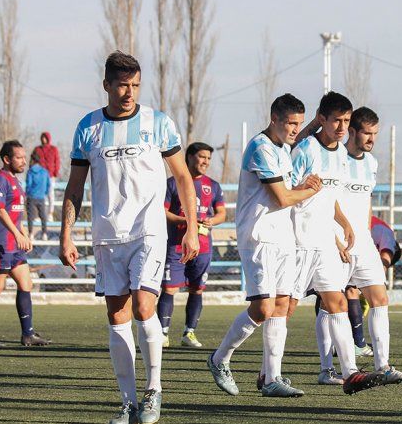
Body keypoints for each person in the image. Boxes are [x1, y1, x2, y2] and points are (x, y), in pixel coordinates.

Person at [60, 51, 199, 424]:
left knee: (143, 306)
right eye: (122, 85)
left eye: (135, 85)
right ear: (106, 85)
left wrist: (192, 228)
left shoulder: (158, 123)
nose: (129, 92)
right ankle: (128, 401)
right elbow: (74, 188)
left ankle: (154, 391)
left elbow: (183, 178)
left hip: (148, 231)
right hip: (108, 235)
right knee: (117, 314)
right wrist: (66, 235)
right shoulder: (87, 127)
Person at [207, 93, 321, 398]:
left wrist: (315, 124)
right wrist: (309, 190)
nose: (296, 129)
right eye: (291, 123)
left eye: (299, 123)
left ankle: (272, 378)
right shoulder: (260, 148)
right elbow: (282, 198)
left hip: (282, 235)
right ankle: (219, 359)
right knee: (263, 307)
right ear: (274, 120)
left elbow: (288, 183)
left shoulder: (282, 148)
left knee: (282, 306)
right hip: (259, 235)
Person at [287, 92, 385, 394]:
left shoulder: (342, 155)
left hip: (327, 241)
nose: (343, 126)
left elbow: (330, 200)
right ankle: (259, 370)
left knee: (338, 303)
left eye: (346, 120)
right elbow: (288, 194)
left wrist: (342, 226)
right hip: (300, 241)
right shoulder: (305, 149)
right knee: (280, 309)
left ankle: (350, 371)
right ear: (322, 120)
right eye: (337, 120)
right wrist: (303, 190)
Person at [320, 106, 402, 386]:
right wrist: (334, 238)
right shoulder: (335, 159)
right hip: (336, 243)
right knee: (330, 307)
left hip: (363, 244)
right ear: (352, 131)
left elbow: (367, 202)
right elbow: (325, 201)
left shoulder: (371, 163)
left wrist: (368, 237)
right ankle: (327, 370)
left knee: (380, 299)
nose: (372, 139)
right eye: (367, 133)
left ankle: (383, 366)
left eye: (375, 133)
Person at [0, 140, 50, 348]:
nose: (24, 161)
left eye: (24, 157)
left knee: (26, 283)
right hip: (0, 243)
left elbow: (18, 212)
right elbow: (0, 210)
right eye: (19, 157)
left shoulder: (16, 182)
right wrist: (17, 234)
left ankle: (28, 334)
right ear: (7, 159)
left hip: (14, 245)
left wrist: (25, 234)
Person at [157, 142, 226, 349]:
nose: (205, 162)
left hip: (203, 247)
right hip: (176, 246)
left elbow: (222, 214)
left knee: (197, 290)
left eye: (208, 158)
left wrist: (211, 221)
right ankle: (162, 333)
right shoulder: (171, 183)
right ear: (189, 157)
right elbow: (163, 211)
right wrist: (184, 221)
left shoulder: (213, 186)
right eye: (202, 157)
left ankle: (189, 333)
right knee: (169, 289)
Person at [34, 131, 60, 219]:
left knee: (50, 195)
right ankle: (40, 215)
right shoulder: (37, 149)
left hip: (50, 176)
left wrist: (55, 172)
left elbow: (57, 161)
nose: (43, 139)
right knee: (40, 196)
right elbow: (33, 161)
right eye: (42, 137)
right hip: (40, 176)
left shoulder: (54, 149)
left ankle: (50, 214)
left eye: (45, 137)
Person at [26, 151, 51, 240]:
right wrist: (45, 192)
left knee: (30, 216)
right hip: (41, 197)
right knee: (43, 216)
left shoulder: (30, 172)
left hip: (32, 196)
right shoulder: (45, 172)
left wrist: (28, 193)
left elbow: (28, 184)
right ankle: (44, 233)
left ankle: (31, 233)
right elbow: (48, 184)